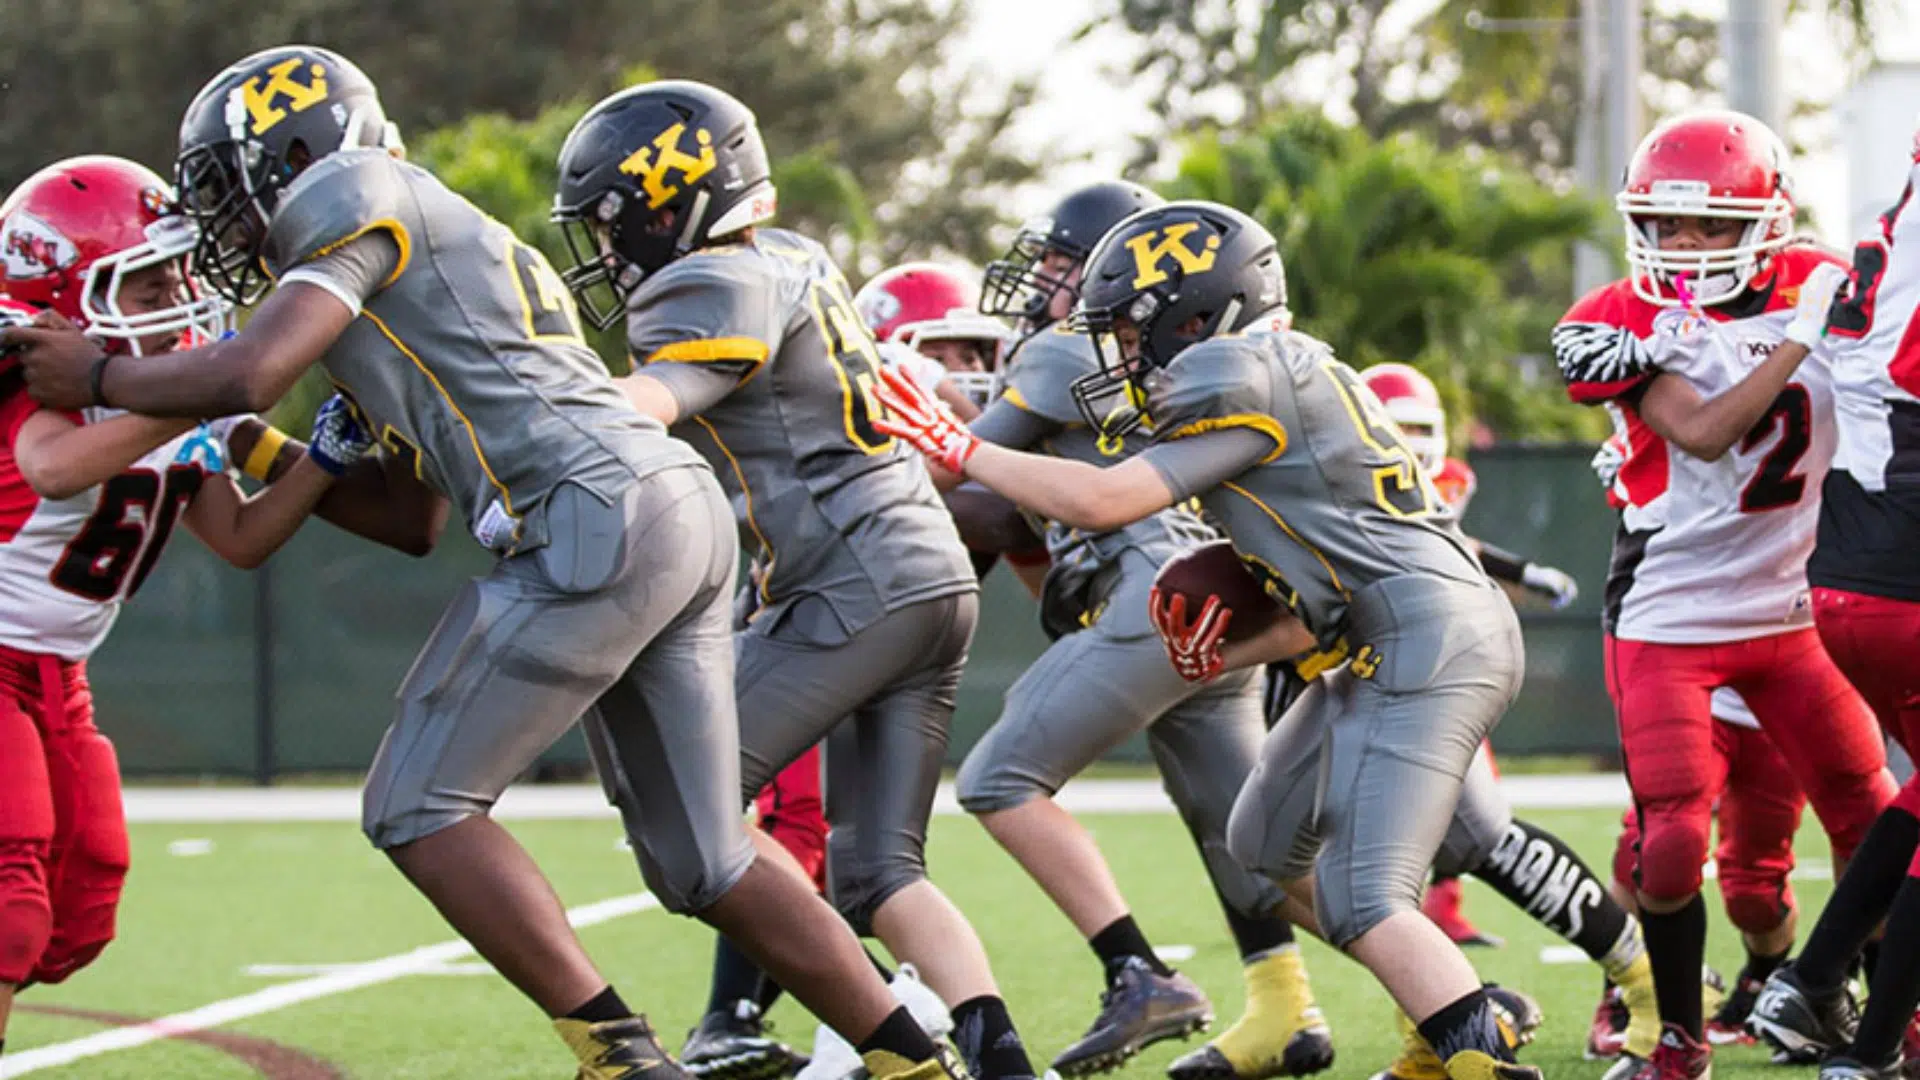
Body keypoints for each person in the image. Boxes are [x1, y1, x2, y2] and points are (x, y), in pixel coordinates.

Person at [4, 48, 961, 1080]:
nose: (227, 221)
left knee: (415, 807)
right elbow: (406, 519)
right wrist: (307, 455)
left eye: (224, 189)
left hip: (591, 515)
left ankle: (621, 1058)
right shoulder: (412, 265)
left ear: (280, 157)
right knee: (706, 860)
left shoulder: (348, 191)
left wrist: (100, 370)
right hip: (666, 506)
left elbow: (249, 369)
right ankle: (913, 1059)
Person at [873, 197, 1544, 1080]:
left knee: (1363, 895)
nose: (1116, 350)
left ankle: (1469, 1042)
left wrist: (958, 445)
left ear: (1197, 316)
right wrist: (1233, 639)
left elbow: (1102, 500)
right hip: (1380, 636)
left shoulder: (1235, 367)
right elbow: (1309, 555)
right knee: (1261, 843)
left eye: (1129, 328)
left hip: (1425, 637)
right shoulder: (1273, 365)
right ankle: (1447, 1016)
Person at [551, 79, 1036, 1080]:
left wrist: (531, 431)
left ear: (667, 203)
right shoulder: (794, 256)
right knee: (877, 868)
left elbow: (652, 401)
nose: (605, 249)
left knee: (686, 816)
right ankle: (1001, 1061)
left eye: (611, 222)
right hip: (932, 574)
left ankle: (865, 1032)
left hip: (850, 581)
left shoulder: (699, 284)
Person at [0, 152, 444, 1063]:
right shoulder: (38, 384)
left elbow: (239, 538)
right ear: (65, 300)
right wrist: (203, 391)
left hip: (62, 679)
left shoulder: (187, 404)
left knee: (81, 905)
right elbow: (54, 466)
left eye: (175, 268)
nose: (178, 290)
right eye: (146, 277)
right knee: (11, 900)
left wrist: (319, 455)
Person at [948, 181, 1334, 1080]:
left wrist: (880, 430)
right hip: (1215, 594)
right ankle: (1437, 1001)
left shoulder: (1062, 349)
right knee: (1251, 842)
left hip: (1151, 594)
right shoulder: (1175, 363)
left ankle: (1137, 972)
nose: (1041, 284)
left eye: (1054, 266)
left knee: (999, 779)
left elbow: (963, 483)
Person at [1551, 108, 1897, 1080]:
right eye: (1665, 224)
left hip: (1796, 618)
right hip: (1670, 618)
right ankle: (1676, 1034)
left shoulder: (1829, 279)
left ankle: (1878, 1011)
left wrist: (1848, 296)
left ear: (1768, 219)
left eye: (1710, 225)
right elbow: (1701, 433)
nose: (1685, 245)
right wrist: (1797, 337)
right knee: (1664, 848)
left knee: (1870, 822)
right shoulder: (1616, 317)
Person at [1746, 115, 1920, 1080]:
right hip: (1901, 572)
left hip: (1847, 581)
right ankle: (1873, 1046)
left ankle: (1811, 985)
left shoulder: (1888, 229)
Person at [1358, 362, 1579, 950]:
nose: (1414, 443)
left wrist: (1523, 572)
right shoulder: (1341, 485)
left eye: (1421, 427)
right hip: (1359, 660)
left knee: (1468, 801)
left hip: (1439, 658)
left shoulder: (1447, 481)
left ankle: (1437, 908)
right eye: (1397, 426)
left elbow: (1456, 545)